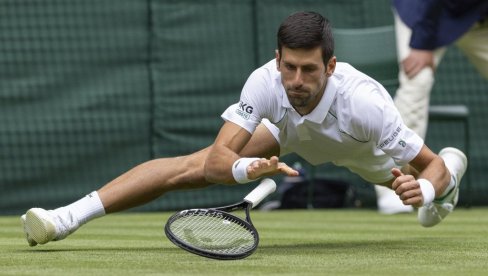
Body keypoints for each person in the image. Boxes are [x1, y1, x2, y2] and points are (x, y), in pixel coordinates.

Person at [21, 11, 467, 247]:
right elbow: (218, 160)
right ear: (277, 60)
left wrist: (426, 190)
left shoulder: (367, 103)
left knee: (432, 188)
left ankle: (449, 184)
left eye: (309, 70)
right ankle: (65, 219)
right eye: (288, 67)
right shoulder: (267, 84)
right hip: (288, 132)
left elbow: (426, 166)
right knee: (189, 168)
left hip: (364, 151)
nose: (296, 81)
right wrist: (246, 168)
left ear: (330, 66)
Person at [375, 0, 487, 215]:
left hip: (477, 16)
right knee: (417, 81)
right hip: (425, 11)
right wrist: (421, 44)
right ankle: (396, 185)